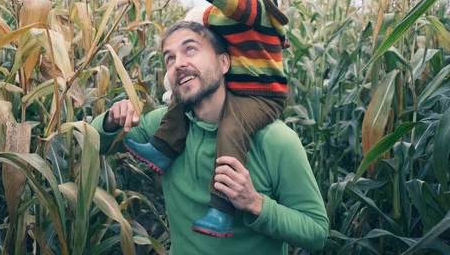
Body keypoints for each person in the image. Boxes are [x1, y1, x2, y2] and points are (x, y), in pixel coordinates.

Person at [90, 21, 328, 254]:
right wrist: (112, 120)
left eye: (190, 49)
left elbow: (316, 232)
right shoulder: (163, 128)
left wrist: (255, 203)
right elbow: (94, 143)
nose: (179, 64)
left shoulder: (276, 140)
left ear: (224, 63)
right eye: (169, 58)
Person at [124, 0, 289, 237]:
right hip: (234, 86)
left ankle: (223, 208)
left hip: (262, 94)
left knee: (232, 127)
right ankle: (163, 146)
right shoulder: (216, 12)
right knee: (185, 87)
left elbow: (238, 4)